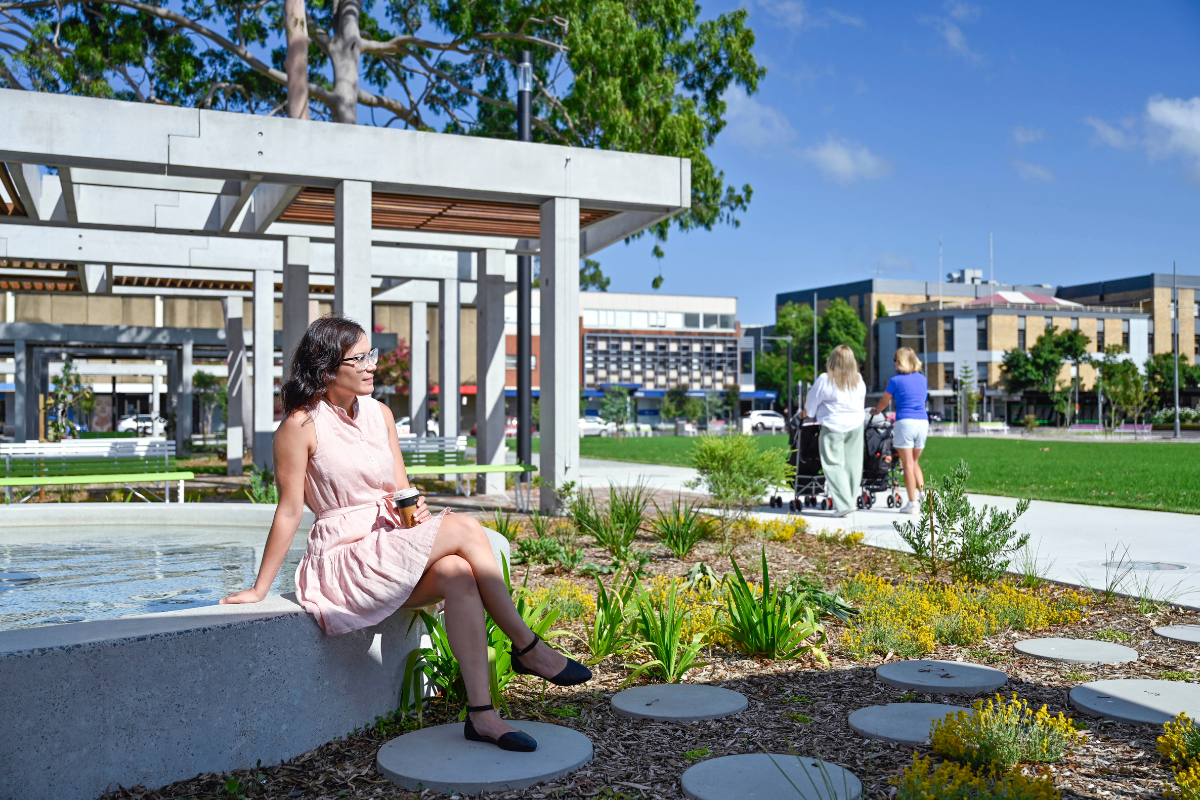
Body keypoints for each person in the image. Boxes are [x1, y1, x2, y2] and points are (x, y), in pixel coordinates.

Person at [221, 316, 590, 752]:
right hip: (347, 558)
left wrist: (419, 521)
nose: (370, 365)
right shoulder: (299, 427)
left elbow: (402, 489)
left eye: (370, 355)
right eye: (358, 358)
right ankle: (527, 647)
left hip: (388, 543)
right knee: (468, 527)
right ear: (326, 370)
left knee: (457, 572)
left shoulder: (380, 414)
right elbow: (288, 512)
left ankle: (482, 716)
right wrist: (260, 588)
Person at [802, 344, 867, 517]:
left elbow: (811, 402)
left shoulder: (825, 379)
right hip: (856, 424)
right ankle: (849, 500)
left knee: (833, 464)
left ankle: (844, 504)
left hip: (833, 425)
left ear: (832, 360)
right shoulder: (858, 379)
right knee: (853, 464)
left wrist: (806, 413)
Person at [872, 346, 928, 514]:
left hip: (906, 423)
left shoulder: (895, 381)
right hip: (922, 423)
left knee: (907, 465)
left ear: (902, 361)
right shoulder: (922, 379)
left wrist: (876, 411)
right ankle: (924, 497)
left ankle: (912, 504)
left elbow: (884, 401)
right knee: (915, 462)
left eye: (896, 360)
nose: (895, 363)